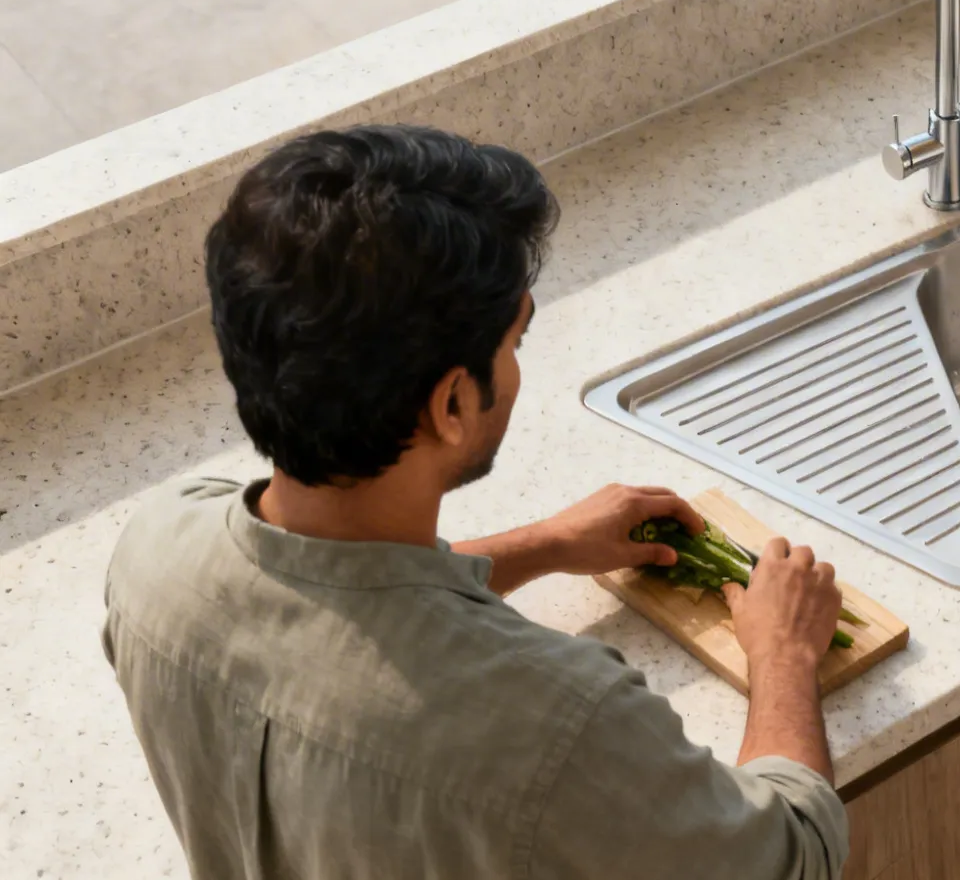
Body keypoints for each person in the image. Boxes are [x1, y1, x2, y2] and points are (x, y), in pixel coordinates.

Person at [101, 125, 850, 878]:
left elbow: (333, 606)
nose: (519, 368)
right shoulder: (558, 724)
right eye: (514, 342)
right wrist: (783, 655)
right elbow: (791, 857)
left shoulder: (156, 551)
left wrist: (546, 543)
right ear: (453, 402)